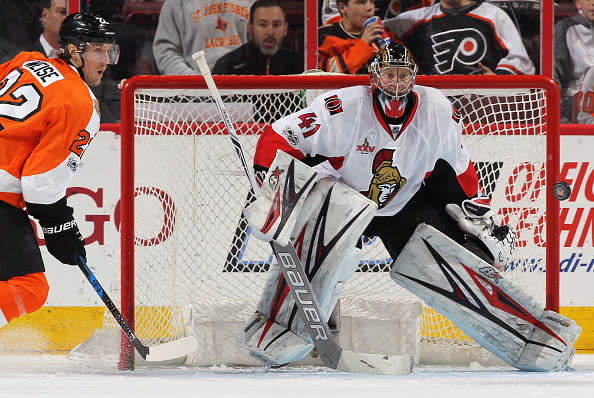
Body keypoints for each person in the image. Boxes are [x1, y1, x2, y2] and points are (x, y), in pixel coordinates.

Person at [235, 42, 579, 372]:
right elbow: (279, 136)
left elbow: (458, 169)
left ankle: (527, 337)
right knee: (324, 244)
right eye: (389, 74)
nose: (396, 82)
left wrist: (478, 214)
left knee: (453, 260)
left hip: (404, 202)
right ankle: (281, 328)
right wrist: (273, 190)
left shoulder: (438, 110)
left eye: (402, 75)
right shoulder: (341, 107)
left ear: (413, 76)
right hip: (343, 198)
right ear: (374, 75)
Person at [0, 12, 119, 329]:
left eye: (109, 50)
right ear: (73, 50)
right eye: (97, 49)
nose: (105, 59)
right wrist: (59, 227)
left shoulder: (26, 61)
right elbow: (40, 184)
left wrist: (57, 226)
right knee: (29, 287)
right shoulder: (79, 101)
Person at [383, 0, 535, 75]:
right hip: (435, 105)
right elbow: (373, 29)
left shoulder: (494, 16)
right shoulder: (413, 20)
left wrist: (497, 79)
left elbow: (520, 61)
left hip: (484, 108)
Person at [152, 0, 256, 75]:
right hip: (192, 95)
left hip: (244, 88)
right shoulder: (176, 3)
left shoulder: (253, 3)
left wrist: (246, 79)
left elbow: (260, 45)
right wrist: (192, 81)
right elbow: (165, 49)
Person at [212, 0, 303, 75]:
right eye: (263, 25)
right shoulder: (228, 66)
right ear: (250, 28)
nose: (270, 32)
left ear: (285, 29)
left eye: (276, 25)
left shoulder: (300, 64)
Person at [318, 0, 397, 74]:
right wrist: (364, 44)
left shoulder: (386, 34)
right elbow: (325, 74)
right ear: (342, 7)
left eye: (371, 1)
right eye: (361, 2)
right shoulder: (324, 36)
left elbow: (404, 74)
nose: (370, 8)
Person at [554, 0, 594, 123]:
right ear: (578, 4)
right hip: (576, 100)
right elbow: (554, 74)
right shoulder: (564, 28)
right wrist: (559, 118)